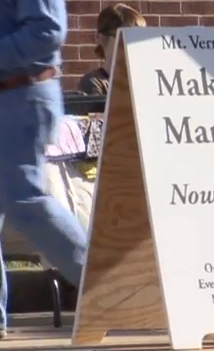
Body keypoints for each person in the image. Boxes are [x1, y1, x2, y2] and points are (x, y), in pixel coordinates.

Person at [0, 0, 88, 337]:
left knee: (24, 199)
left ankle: (109, 290)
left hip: (22, 96)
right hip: (13, 96)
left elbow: (48, 29)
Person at [77, 4, 146, 95]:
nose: (133, 45)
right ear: (101, 38)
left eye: (139, 39)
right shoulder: (93, 83)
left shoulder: (145, 81)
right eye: (125, 37)